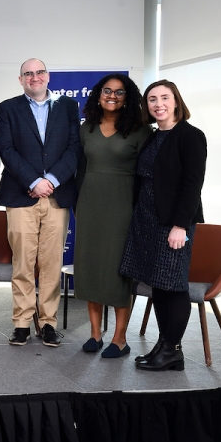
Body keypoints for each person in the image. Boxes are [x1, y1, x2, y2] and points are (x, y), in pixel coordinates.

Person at [120, 80, 207, 371]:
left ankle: (173, 349)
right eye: (152, 99)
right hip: (147, 220)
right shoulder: (153, 136)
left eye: (165, 98)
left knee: (174, 284)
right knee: (159, 284)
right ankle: (164, 344)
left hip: (172, 223)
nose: (159, 104)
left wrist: (180, 226)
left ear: (176, 101)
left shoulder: (191, 136)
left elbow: (193, 185)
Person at [0, 58, 81, 348]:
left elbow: (74, 148)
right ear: (20, 79)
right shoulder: (8, 108)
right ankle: (21, 323)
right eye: (28, 73)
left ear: (48, 76)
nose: (35, 77)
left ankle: (47, 324)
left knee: (51, 262)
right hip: (21, 195)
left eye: (39, 72)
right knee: (22, 262)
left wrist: (51, 180)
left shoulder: (68, 106)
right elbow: (6, 149)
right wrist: (34, 181)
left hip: (57, 195)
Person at [73, 74, 152, 358]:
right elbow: (81, 169)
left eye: (119, 92)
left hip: (122, 206)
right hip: (89, 203)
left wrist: (139, 212)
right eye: (107, 91)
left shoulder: (141, 130)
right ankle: (95, 334)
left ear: (128, 98)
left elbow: (145, 177)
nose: (112, 96)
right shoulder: (87, 128)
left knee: (117, 272)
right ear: (98, 94)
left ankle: (119, 339)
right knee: (91, 267)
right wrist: (78, 205)